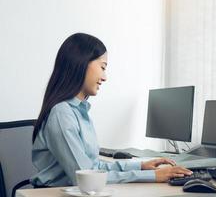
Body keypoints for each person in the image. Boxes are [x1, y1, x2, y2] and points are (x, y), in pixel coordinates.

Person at [30, 33, 192, 187]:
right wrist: (154, 176)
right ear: (81, 63)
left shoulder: (78, 111)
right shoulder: (62, 113)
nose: (105, 77)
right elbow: (86, 177)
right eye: (102, 67)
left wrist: (141, 166)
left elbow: (95, 166)